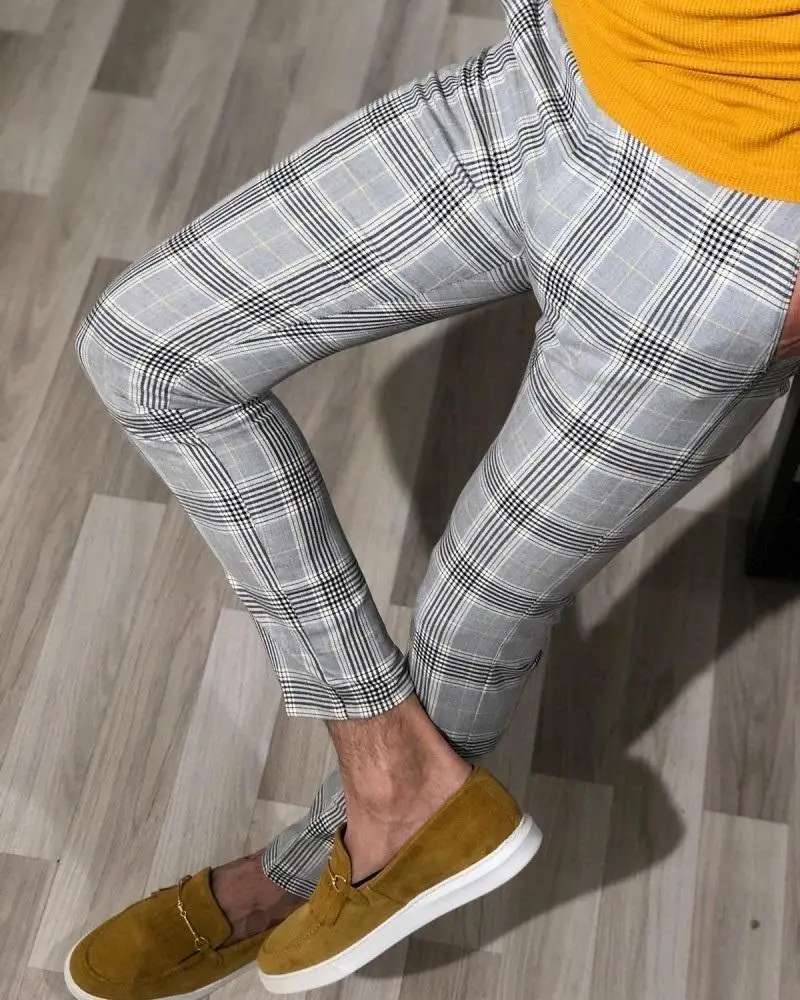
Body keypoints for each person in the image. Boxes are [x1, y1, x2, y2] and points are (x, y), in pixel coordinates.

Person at [65, 0, 800, 997]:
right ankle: (391, 777)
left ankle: (303, 870)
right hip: (550, 74)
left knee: (468, 612)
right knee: (148, 353)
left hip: (733, 223)